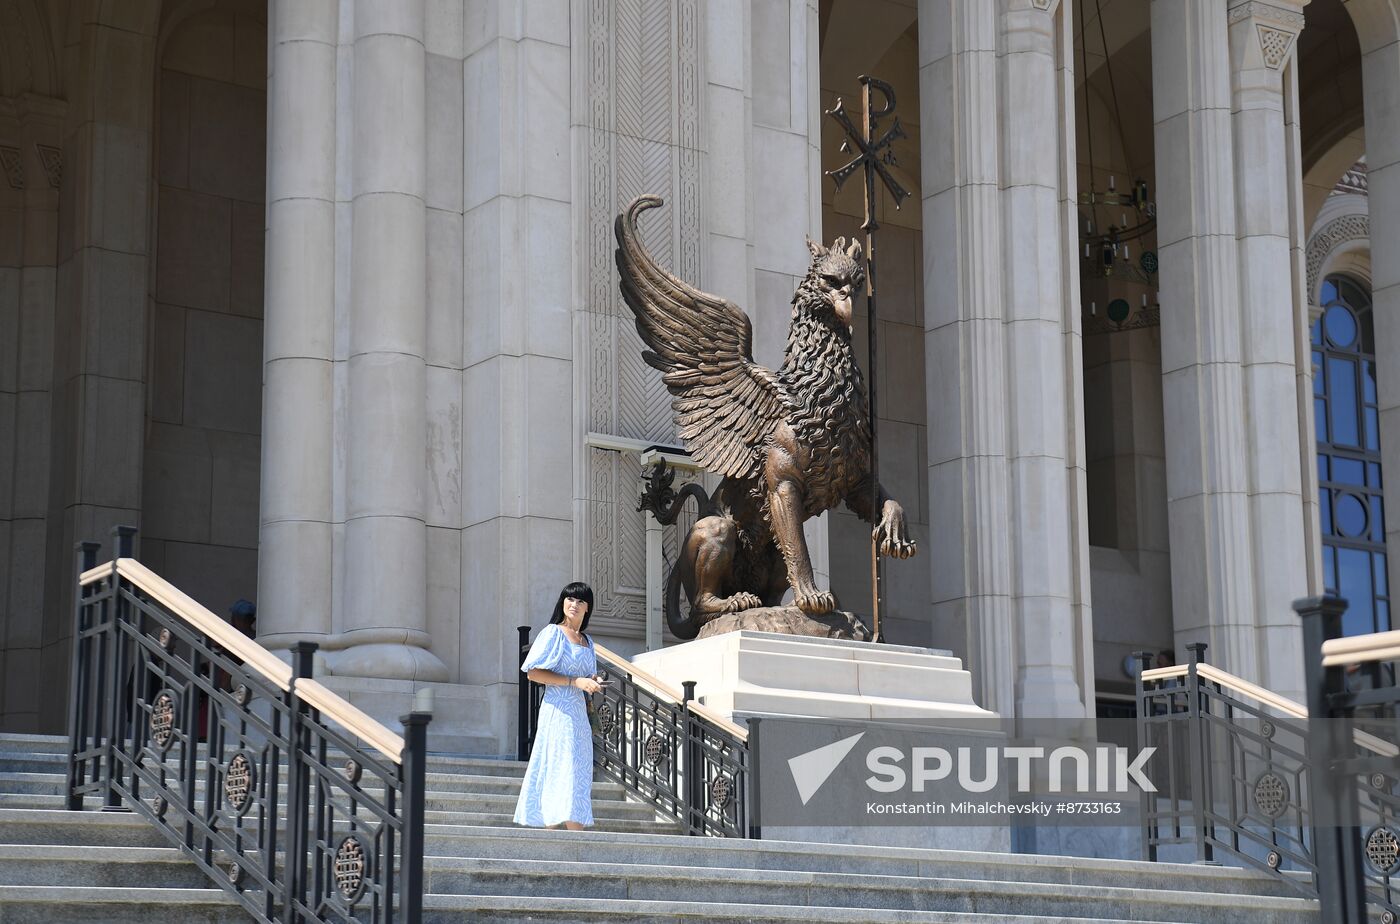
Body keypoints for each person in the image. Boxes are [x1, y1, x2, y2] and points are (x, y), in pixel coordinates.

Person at [513, 582, 601, 830]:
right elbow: (533, 673)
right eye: (570, 599)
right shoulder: (552, 633)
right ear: (563, 603)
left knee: (578, 773)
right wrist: (574, 681)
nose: (574, 604)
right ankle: (556, 835)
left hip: (579, 715)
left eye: (580, 601)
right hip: (558, 711)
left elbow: (586, 676)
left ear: (588, 608)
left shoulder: (587, 641)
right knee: (559, 770)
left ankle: (575, 839)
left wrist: (592, 682)